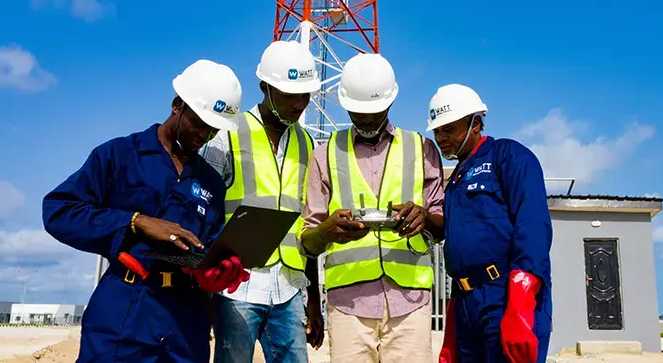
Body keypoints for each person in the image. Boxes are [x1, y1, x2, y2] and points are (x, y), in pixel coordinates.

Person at [42, 59, 251, 363]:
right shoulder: (119, 155)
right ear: (177, 105)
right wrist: (135, 222)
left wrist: (219, 268)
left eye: (214, 129)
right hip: (125, 309)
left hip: (187, 322)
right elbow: (59, 212)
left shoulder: (212, 183)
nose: (205, 135)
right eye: (200, 124)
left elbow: (210, 243)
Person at [300, 53, 446, 363]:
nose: (366, 119)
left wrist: (423, 218)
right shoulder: (324, 155)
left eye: (374, 112)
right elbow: (308, 242)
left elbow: (443, 226)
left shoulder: (421, 148)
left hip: (410, 303)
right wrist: (327, 231)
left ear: (391, 102)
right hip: (347, 306)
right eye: (358, 112)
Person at [200, 40, 325, 363]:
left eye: (306, 95)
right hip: (236, 286)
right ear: (265, 88)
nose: (301, 104)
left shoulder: (307, 142)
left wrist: (313, 296)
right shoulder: (228, 133)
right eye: (291, 95)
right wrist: (206, 289)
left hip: (289, 286)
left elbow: (308, 223)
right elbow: (201, 211)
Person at [429, 84, 553, 363]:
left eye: (448, 128)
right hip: (464, 302)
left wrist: (520, 302)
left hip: (504, 294)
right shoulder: (456, 180)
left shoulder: (508, 156)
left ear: (475, 123)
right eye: (436, 131)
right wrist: (452, 320)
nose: (441, 138)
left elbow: (532, 228)